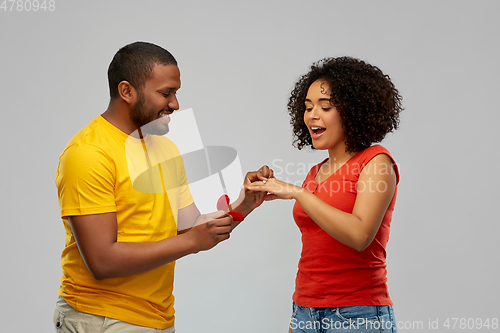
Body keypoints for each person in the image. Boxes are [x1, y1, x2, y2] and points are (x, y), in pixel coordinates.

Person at [53, 41, 270, 333]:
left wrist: (244, 204)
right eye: (166, 93)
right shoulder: (88, 154)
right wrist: (192, 242)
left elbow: (190, 226)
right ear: (126, 91)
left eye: (176, 93)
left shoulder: (165, 148)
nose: (175, 104)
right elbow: (102, 261)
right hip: (101, 318)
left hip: (159, 318)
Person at [247, 57, 403, 333]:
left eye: (325, 107)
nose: (312, 115)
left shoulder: (376, 162)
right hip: (305, 311)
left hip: (357, 315)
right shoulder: (316, 172)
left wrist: (297, 192)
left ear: (354, 111)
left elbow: (359, 236)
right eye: (308, 108)